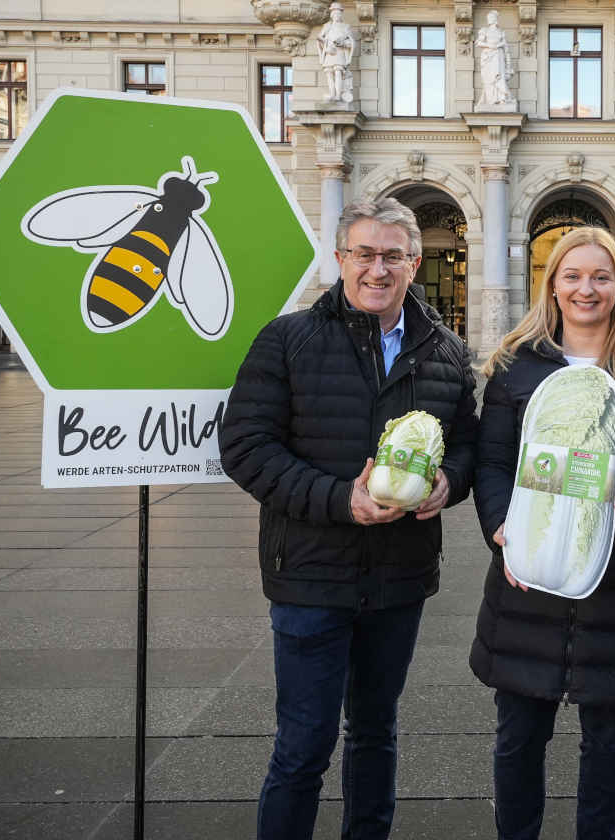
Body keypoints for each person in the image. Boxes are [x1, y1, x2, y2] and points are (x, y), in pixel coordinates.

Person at [220, 197, 479, 840]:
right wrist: (341, 500)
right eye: (363, 253)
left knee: (375, 733)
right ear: (339, 259)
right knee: (303, 743)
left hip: (399, 577)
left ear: (415, 264)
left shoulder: (445, 351)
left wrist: (451, 481)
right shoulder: (289, 339)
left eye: (392, 255)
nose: (377, 268)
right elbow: (246, 448)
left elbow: (472, 444)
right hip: (310, 573)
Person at [471, 227, 615, 840]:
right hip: (527, 572)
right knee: (517, 734)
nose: (585, 288)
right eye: (572, 276)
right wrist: (500, 528)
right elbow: (491, 463)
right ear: (552, 286)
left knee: (609, 738)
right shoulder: (517, 365)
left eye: (600, 276)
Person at [316, 1, 355, 103]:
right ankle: (332, 94)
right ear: (332, 15)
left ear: (341, 15)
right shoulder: (327, 26)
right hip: (329, 52)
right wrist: (324, 42)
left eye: (339, 13)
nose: (337, 15)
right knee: (329, 73)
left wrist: (342, 43)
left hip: (340, 52)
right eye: (335, 13)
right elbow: (319, 37)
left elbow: (351, 42)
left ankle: (338, 95)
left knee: (338, 72)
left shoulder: (345, 27)